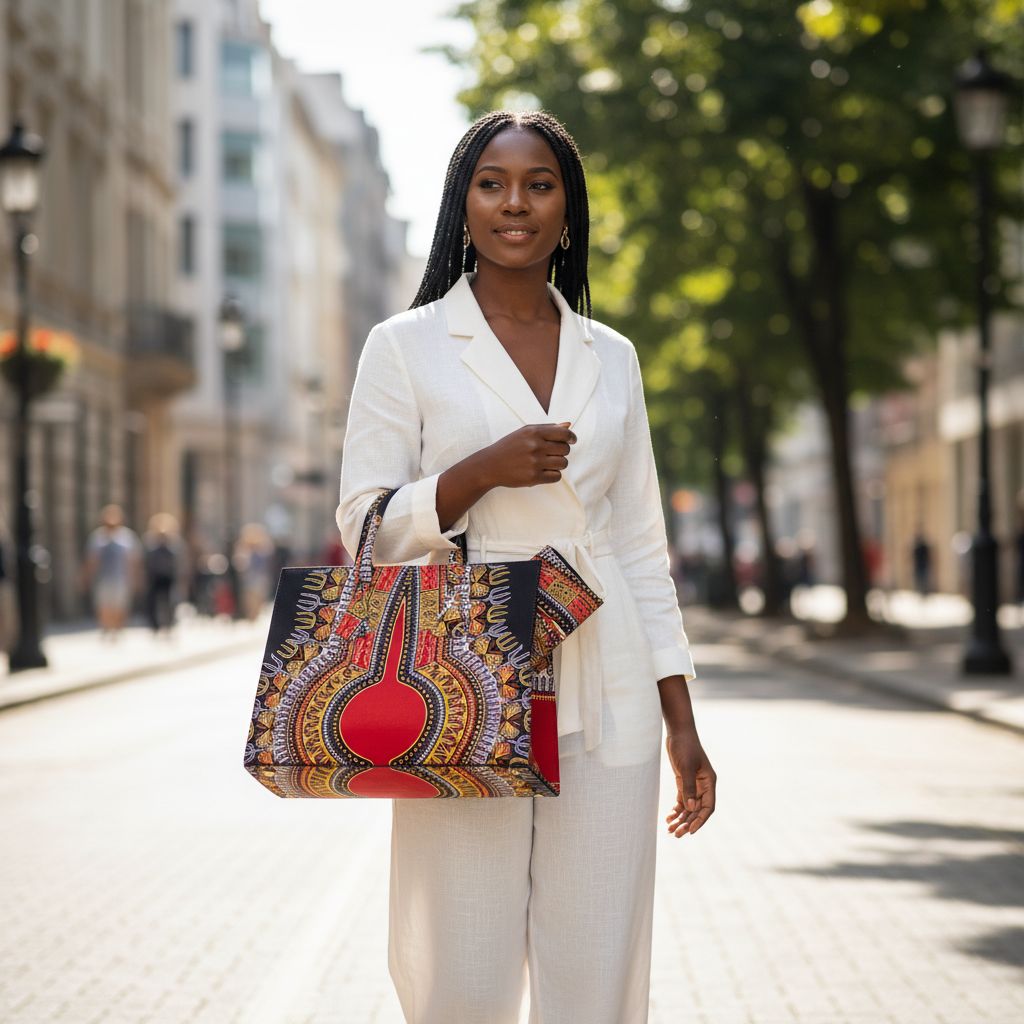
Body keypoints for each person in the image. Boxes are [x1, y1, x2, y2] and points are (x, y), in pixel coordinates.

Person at [336, 110, 717, 1024]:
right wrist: (478, 473)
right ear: (462, 204)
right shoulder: (406, 344)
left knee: (597, 966)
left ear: (568, 207)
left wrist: (682, 723)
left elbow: (638, 545)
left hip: (608, 668)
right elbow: (363, 531)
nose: (516, 203)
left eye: (540, 183)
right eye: (493, 183)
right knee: (460, 968)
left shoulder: (612, 356)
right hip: (464, 667)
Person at [81, 504, 142, 639]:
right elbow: (91, 559)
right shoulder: (97, 537)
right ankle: (106, 627)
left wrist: (136, 578)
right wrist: (86, 577)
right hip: (103, 577)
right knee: (103, 604)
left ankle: (118, 628)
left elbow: (133, 560)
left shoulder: (127, 537)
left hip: (121, 578)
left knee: (120, 605)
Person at [142, 512, 184, 635]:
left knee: (170, 601)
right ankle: (155, 626)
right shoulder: (150, 542)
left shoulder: (174, 542)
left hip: (169, 576)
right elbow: (145, 559)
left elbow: (179, 560)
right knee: (152, 601)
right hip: (154, 576)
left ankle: (169, 624)